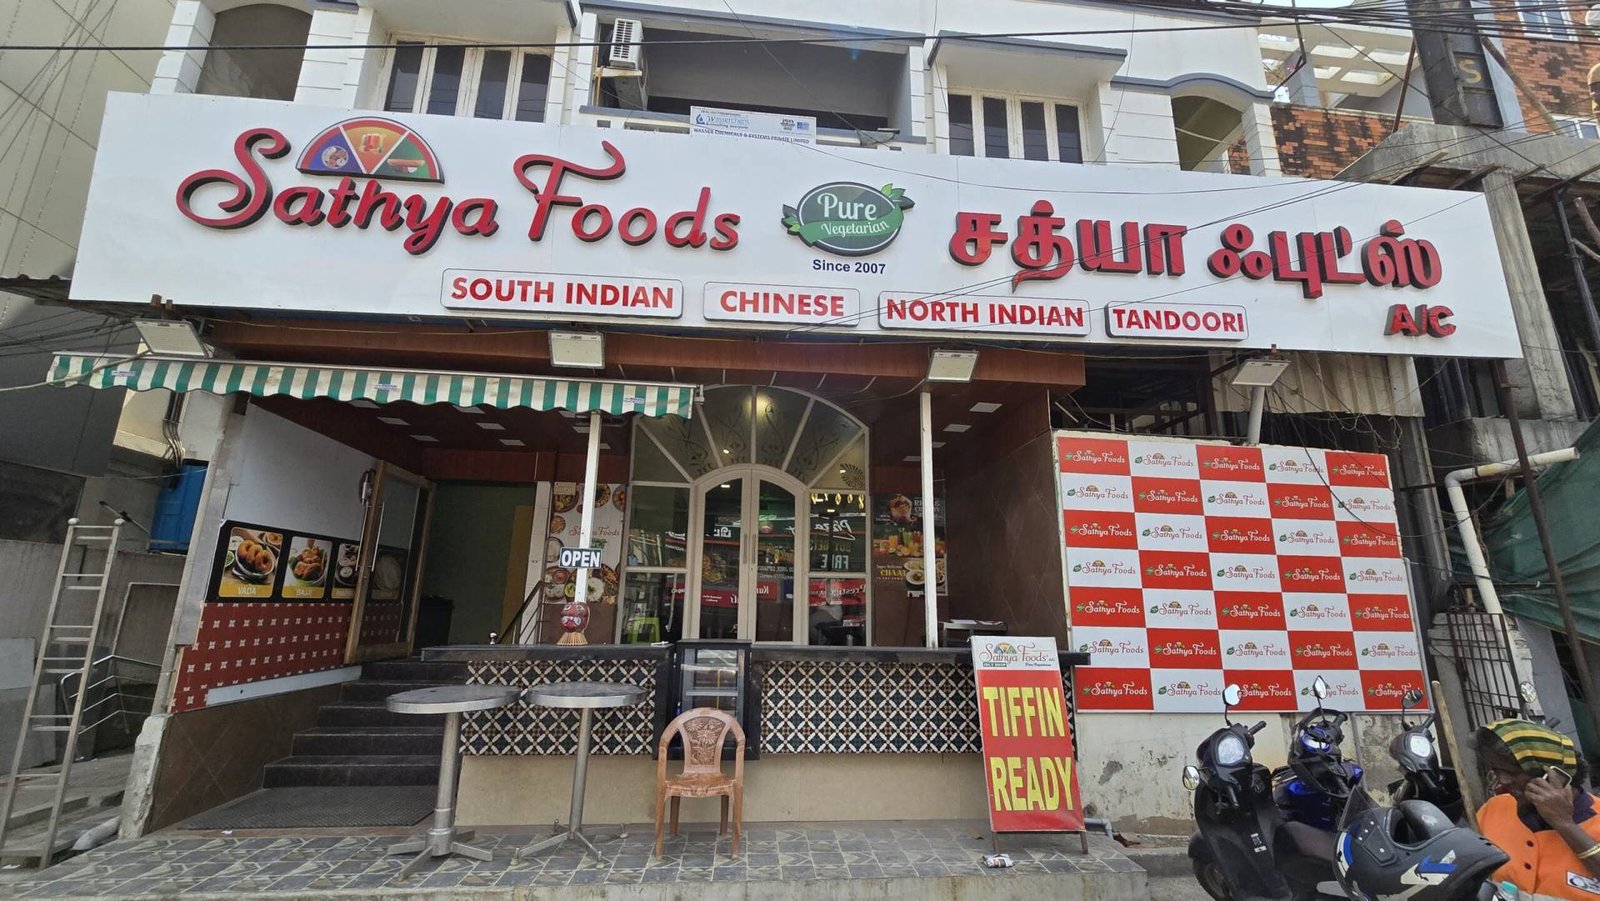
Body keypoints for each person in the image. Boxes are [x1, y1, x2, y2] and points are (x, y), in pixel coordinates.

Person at [1476, 719, 1600, 898]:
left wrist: (1564, 823)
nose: (1502, 781)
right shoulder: (1494, 809)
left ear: (1554, 775)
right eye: (1496, 770)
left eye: (1512, 772)